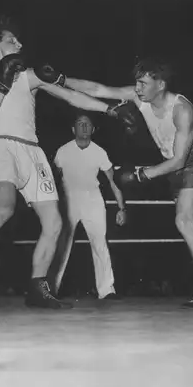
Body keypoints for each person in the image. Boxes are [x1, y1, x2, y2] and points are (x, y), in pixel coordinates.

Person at [0, 14, 133, 312]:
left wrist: (109, 110)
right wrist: (3, 87)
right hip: (4, 146)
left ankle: (38, 287)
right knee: (3, 209)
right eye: (12, 40)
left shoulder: (29, 75)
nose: (20, 43)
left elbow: (72, 96)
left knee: (55, 222)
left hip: (33, 152)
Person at [57, 56, 193, 308]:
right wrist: (62, 79)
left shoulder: (182, 110)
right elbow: (99, 90)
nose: (137, 89)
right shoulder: (139, 97)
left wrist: (140, 174)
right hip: (173, 168)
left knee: (183, 220)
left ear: (161, 84)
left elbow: (180, 161)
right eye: (137, 83)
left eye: (144, 83)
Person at [51, 113, 127, 299]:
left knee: (100, 244)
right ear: (73, 129)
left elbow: (113, 180)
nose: (84, 127)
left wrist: (121, 207)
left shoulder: (100, 152)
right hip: (68, 201)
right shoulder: (62, 151)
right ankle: (51, 289)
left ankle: (107, 290)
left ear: (93, 130)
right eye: (80, 124)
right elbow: (52, 179)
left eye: (88, 124)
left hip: (93, 200)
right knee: (61, 245)